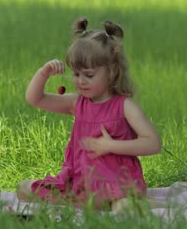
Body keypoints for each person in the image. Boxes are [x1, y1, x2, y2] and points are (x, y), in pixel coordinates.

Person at [17, 17, 162, 211]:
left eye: (89, 75)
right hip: (80, 186)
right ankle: (84, 203)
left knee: (122, 207)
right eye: (76, 74)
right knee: (24, 188)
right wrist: (43, 73)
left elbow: (153, 143)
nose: (81, 81)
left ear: (111, 71)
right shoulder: (77, 103)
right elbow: (36, 99)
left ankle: (142, 203)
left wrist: (111, 145)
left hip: (117, 187)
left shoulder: (124, 106)